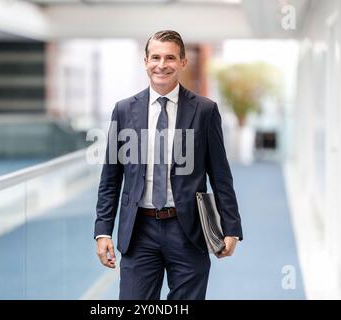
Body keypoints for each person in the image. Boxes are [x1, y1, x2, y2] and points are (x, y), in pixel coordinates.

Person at [94, 30, 243, 300]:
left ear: (183, 62)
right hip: (139, 230)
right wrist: (103, 230)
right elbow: (111, 177)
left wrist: (231, 227)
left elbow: (221, 175)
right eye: (155, 57)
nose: (162, 65)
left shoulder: (205, 110)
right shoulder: (124, 110)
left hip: (188, 230)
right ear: (145, 61)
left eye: (170, 58)